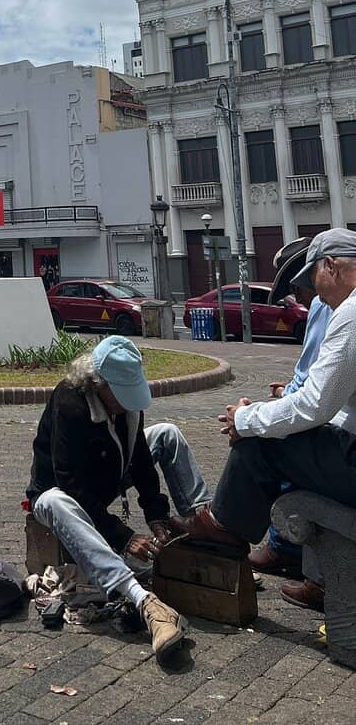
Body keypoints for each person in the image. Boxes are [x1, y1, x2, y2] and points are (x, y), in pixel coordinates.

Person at [169, 229, 356, 614]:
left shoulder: (351, 313)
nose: (315, 296)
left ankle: (225, 527)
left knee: (261, 439)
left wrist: (247, 419)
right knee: (272, 427)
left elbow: (316, 404)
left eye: (314, 282)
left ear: (332, 267)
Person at [27, 335, 216, 666]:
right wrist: (124, 537)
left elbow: (140, 458)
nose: (127, 403)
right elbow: (71, 483)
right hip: (57, 495)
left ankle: (208, 534)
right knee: (58, 500)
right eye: (120, 395)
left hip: (107, 477)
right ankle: (143, 601)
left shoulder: (127, 407)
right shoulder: (69, 403)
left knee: (167, 434)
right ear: (96, 383)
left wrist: (156, 515)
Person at [248, 275, 332, 594]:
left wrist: (257, 416)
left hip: (333, 424)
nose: (296, 298)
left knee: (270, 445)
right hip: (328, 410)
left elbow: (315, 379)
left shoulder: (329, 307)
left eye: (297, 290)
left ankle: (284, 545)